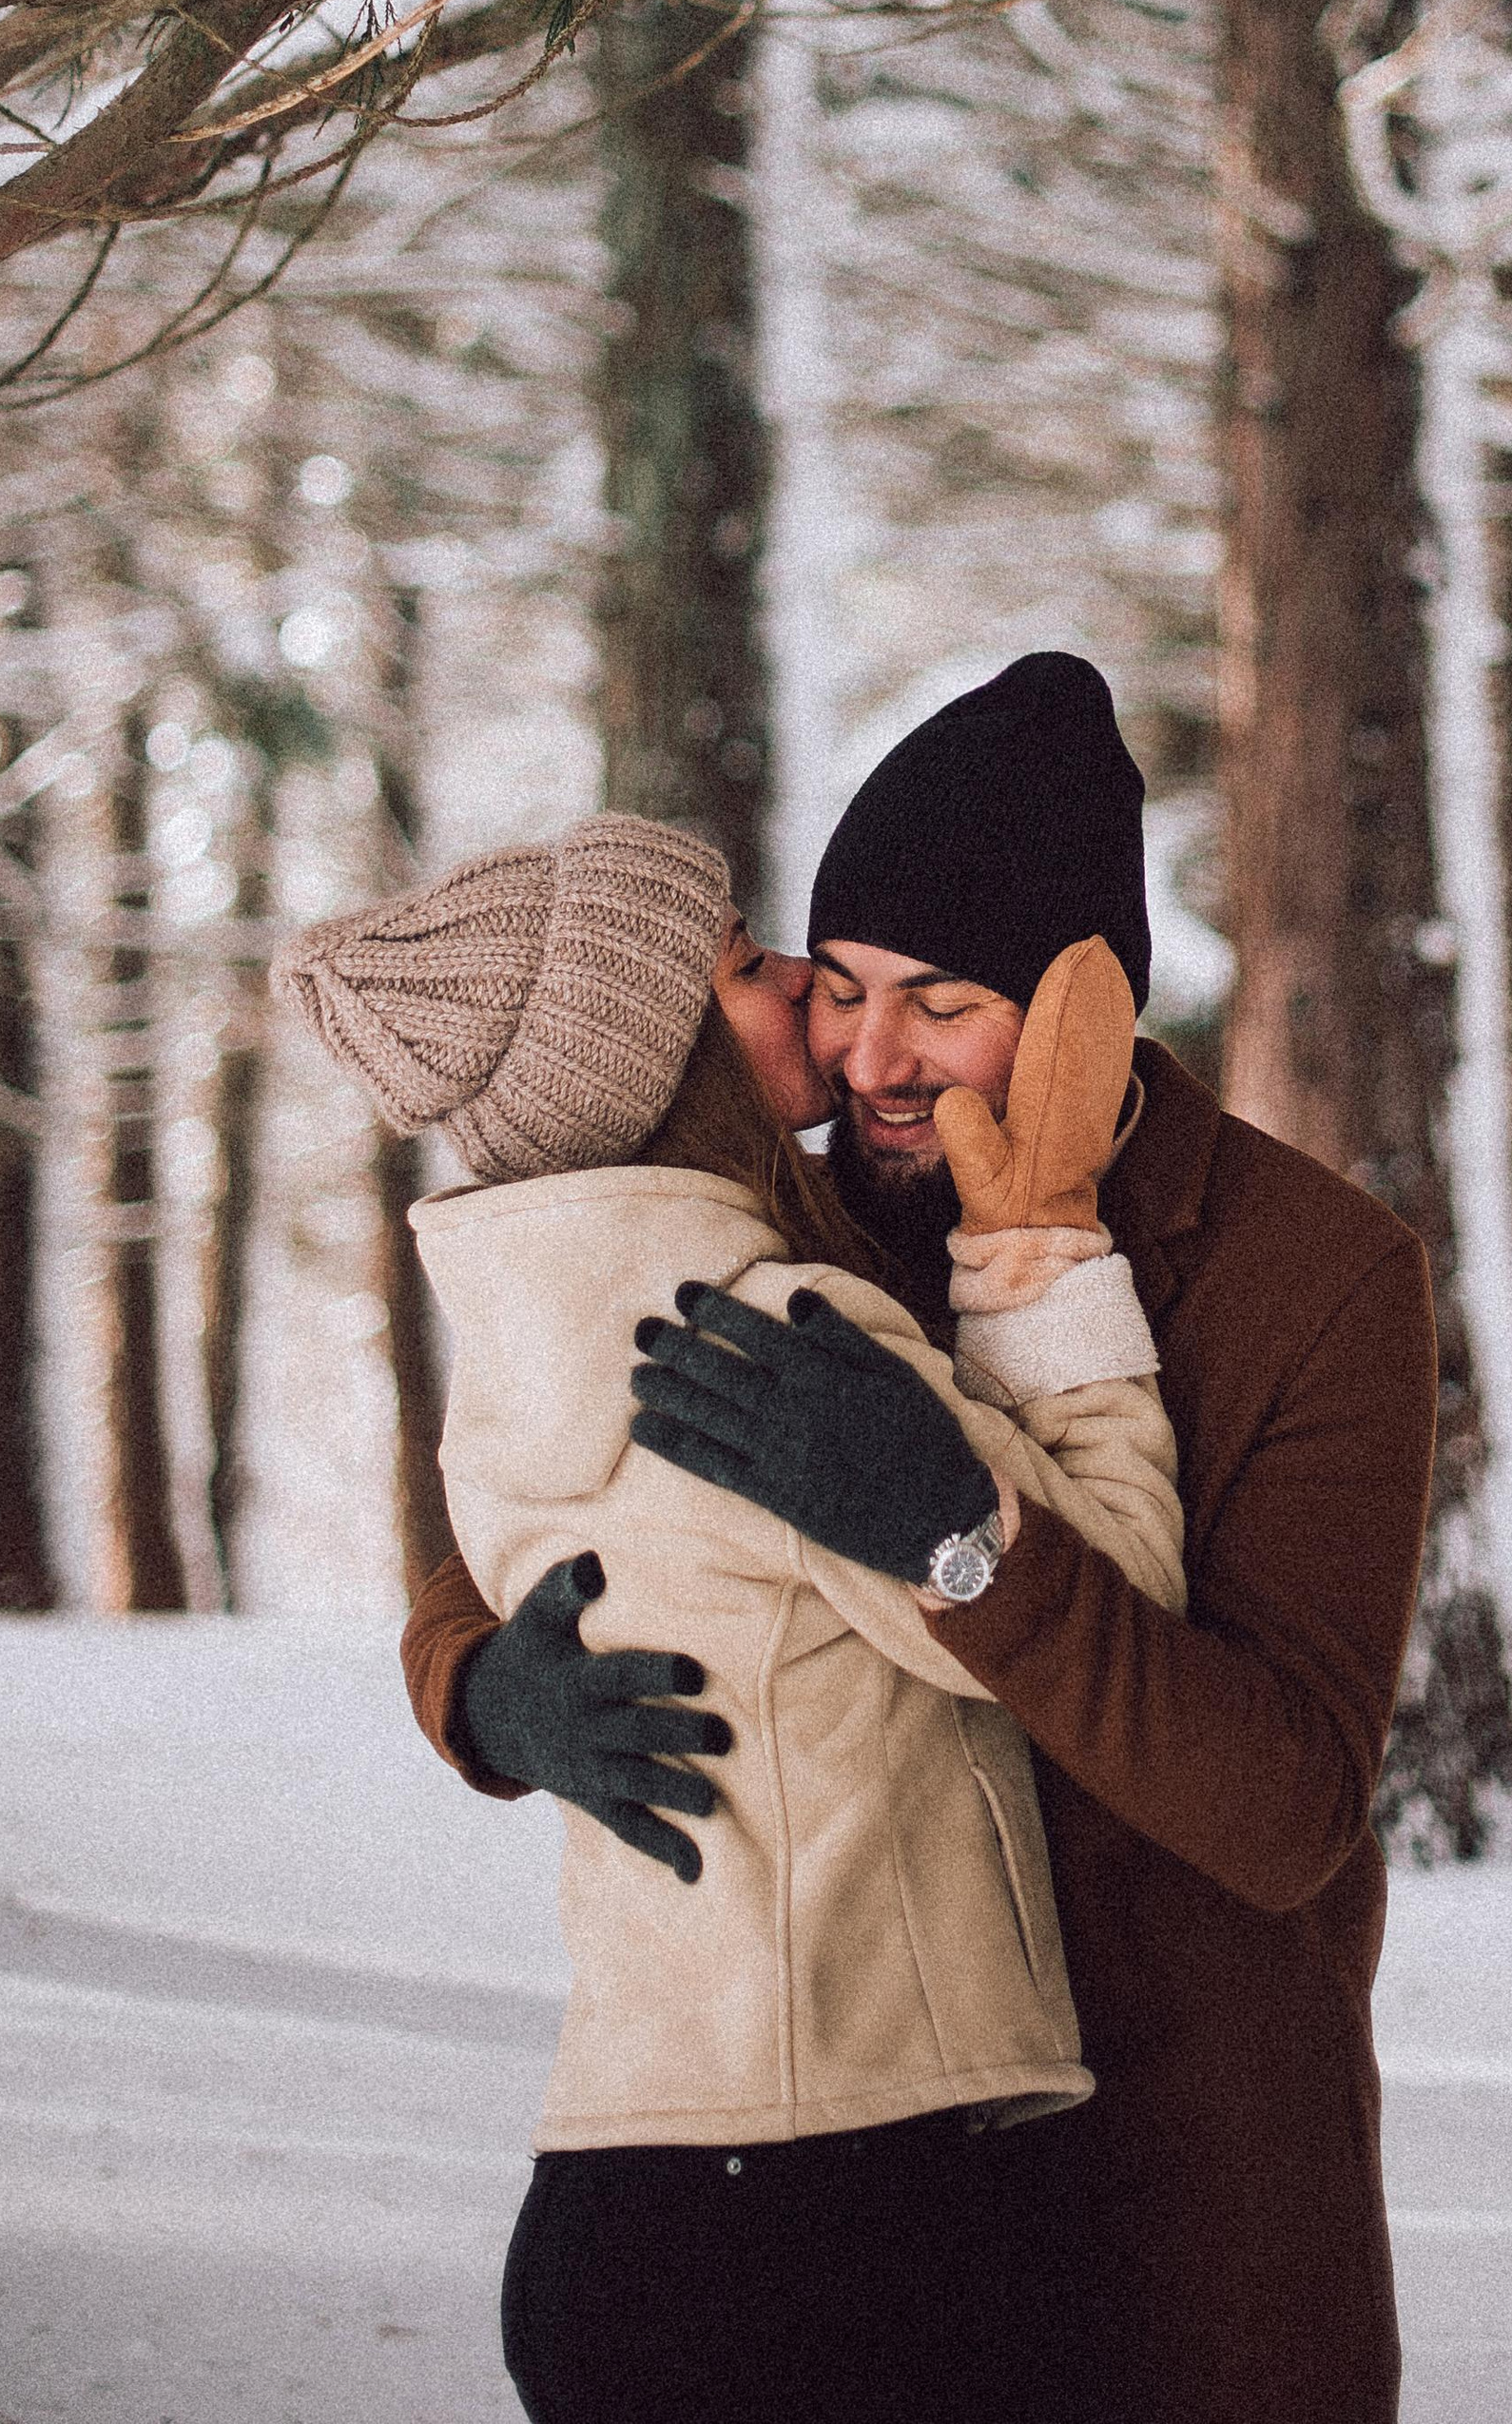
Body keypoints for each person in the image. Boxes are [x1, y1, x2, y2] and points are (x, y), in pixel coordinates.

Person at [403, 655, 1440, 2423]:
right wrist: (493, 1696)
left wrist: (966, 1546)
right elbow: (512, 1501)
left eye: (942, 1004)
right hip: (836, 2167)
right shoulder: (782, 1214)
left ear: (1083, 1007)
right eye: (843, 988)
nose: (868, 1056)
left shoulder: (1311, 1277)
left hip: (1172, 2173)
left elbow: (1283, 1813)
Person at [279, 808, 1182, 2424]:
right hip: (835, 2220)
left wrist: (483, 1697)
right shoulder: (779, 1339)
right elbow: (1118, 1601)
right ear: (674, 1049)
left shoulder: (509, 1374)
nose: (808, 1004)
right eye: (756, 968)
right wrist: (1041, 1257)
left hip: (615, 2202)